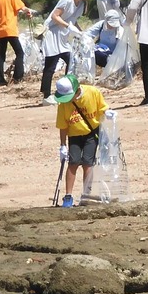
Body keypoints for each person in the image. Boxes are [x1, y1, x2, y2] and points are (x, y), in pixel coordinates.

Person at [54, 74, 114, 208]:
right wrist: (63, 145)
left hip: (91, 134)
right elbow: (63, 126)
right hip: (74, 135)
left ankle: (86, 194)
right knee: (73, 162)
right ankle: (68, 196)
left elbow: (103, 109)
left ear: (76, 89)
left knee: (88, 163)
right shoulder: (63, 104)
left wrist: (108, 114)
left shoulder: (93, 92)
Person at [40, 0, 98, 105]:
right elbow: (55, 16)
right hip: (53, 34)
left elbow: (73, 19)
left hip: (63, 36)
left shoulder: (81, 4)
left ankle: (67, 91)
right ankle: (46, 96)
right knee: (50, 65)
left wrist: (81, 32)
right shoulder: (67, 0)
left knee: (71, 62)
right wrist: (68, 26)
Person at [0, 0, 33, 86]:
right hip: (10, 29)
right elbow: (22, 8)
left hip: (0, 29)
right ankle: (17, 77)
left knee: (1, 56)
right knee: (19, 53)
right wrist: (28, 12)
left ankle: (0, 80)